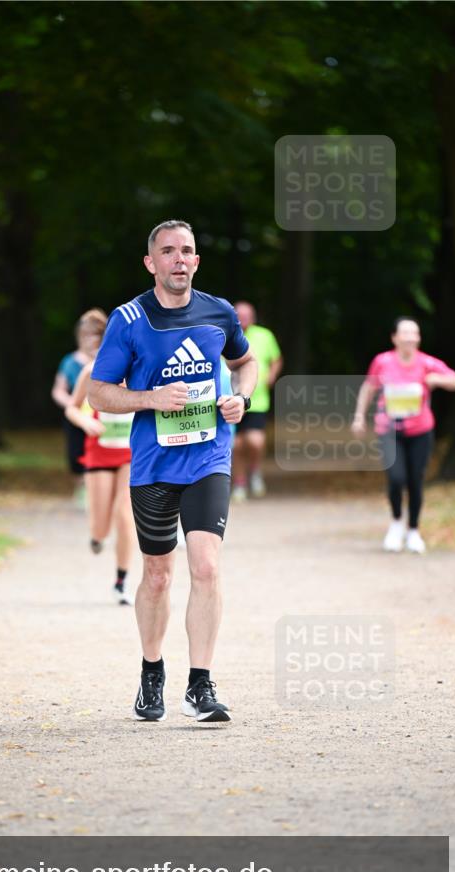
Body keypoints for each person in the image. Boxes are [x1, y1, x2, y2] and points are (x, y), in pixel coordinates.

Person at [88, 219, 258, 723]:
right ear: (151, 262)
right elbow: (98, 393)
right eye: (168, 251)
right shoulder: (129, 319)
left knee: (206, 567)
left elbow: (246, 362)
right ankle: (151, 672)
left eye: (186, 250)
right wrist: (151, 399)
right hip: (154, 465)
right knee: (158, 575)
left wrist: (241, 398)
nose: (178, 258)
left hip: (209, 457)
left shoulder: (219, 311)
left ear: (196, 261)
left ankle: (200, 685)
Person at [352, 317, 455, 553]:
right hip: (389, 430)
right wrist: (359, 416)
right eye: (406, 333)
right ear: (395, 338)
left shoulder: (427, 363)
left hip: (420, 430)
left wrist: (437, 379)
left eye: (415, 333)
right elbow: (368, 388)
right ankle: (396, 523)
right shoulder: (382, 362)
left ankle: (413, 530)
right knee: (396, 478)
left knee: (415, 481)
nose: (411, 338)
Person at [65, 318, 136, 605]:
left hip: (131, 453)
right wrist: (85, 421)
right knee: (101, 527)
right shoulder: (91, 371)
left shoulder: (138, 369)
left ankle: (121, 581)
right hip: (99, 451)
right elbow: (72, 408)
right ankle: (96, 537)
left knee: (124, 513)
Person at [51, 311, 103, 507]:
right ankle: (82, 488)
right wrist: (73, 405)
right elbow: (58, 391)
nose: (91, 339)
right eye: (86, 335)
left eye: (96, 334)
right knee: (76, 456)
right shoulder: (70, 362)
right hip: (77, 417)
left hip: (103, 417)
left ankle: (97, 491)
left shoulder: (108, 360)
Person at [230, 302, 282, 499]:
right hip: (230, 398)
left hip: (257, 400)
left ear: (253, 318)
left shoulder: (264, 335)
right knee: (236, 444)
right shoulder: (225, 334)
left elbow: (277, 359)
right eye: (239, 316)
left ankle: (255, 470)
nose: (243, 319)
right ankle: (240, 483)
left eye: (247, 316)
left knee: (255, 441)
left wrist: (272, 375)